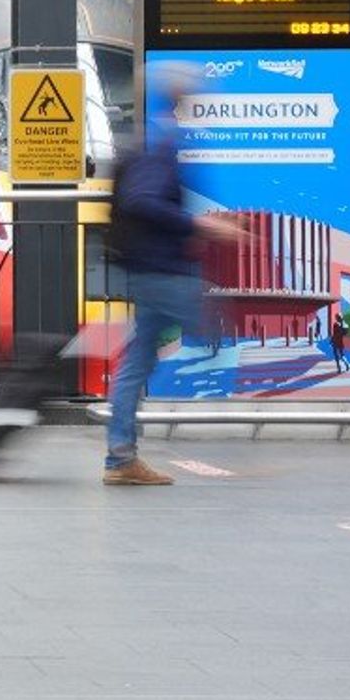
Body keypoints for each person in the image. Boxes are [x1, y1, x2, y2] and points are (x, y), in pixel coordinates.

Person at [103, 61, 244, 486]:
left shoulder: (158, 137)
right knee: (218, 317)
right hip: (161, 271)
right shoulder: (161, 143)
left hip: (150, 268)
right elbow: (141, 200)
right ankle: (119, 455)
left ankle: (120, 457)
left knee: (138, 361)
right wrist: (201, 225)